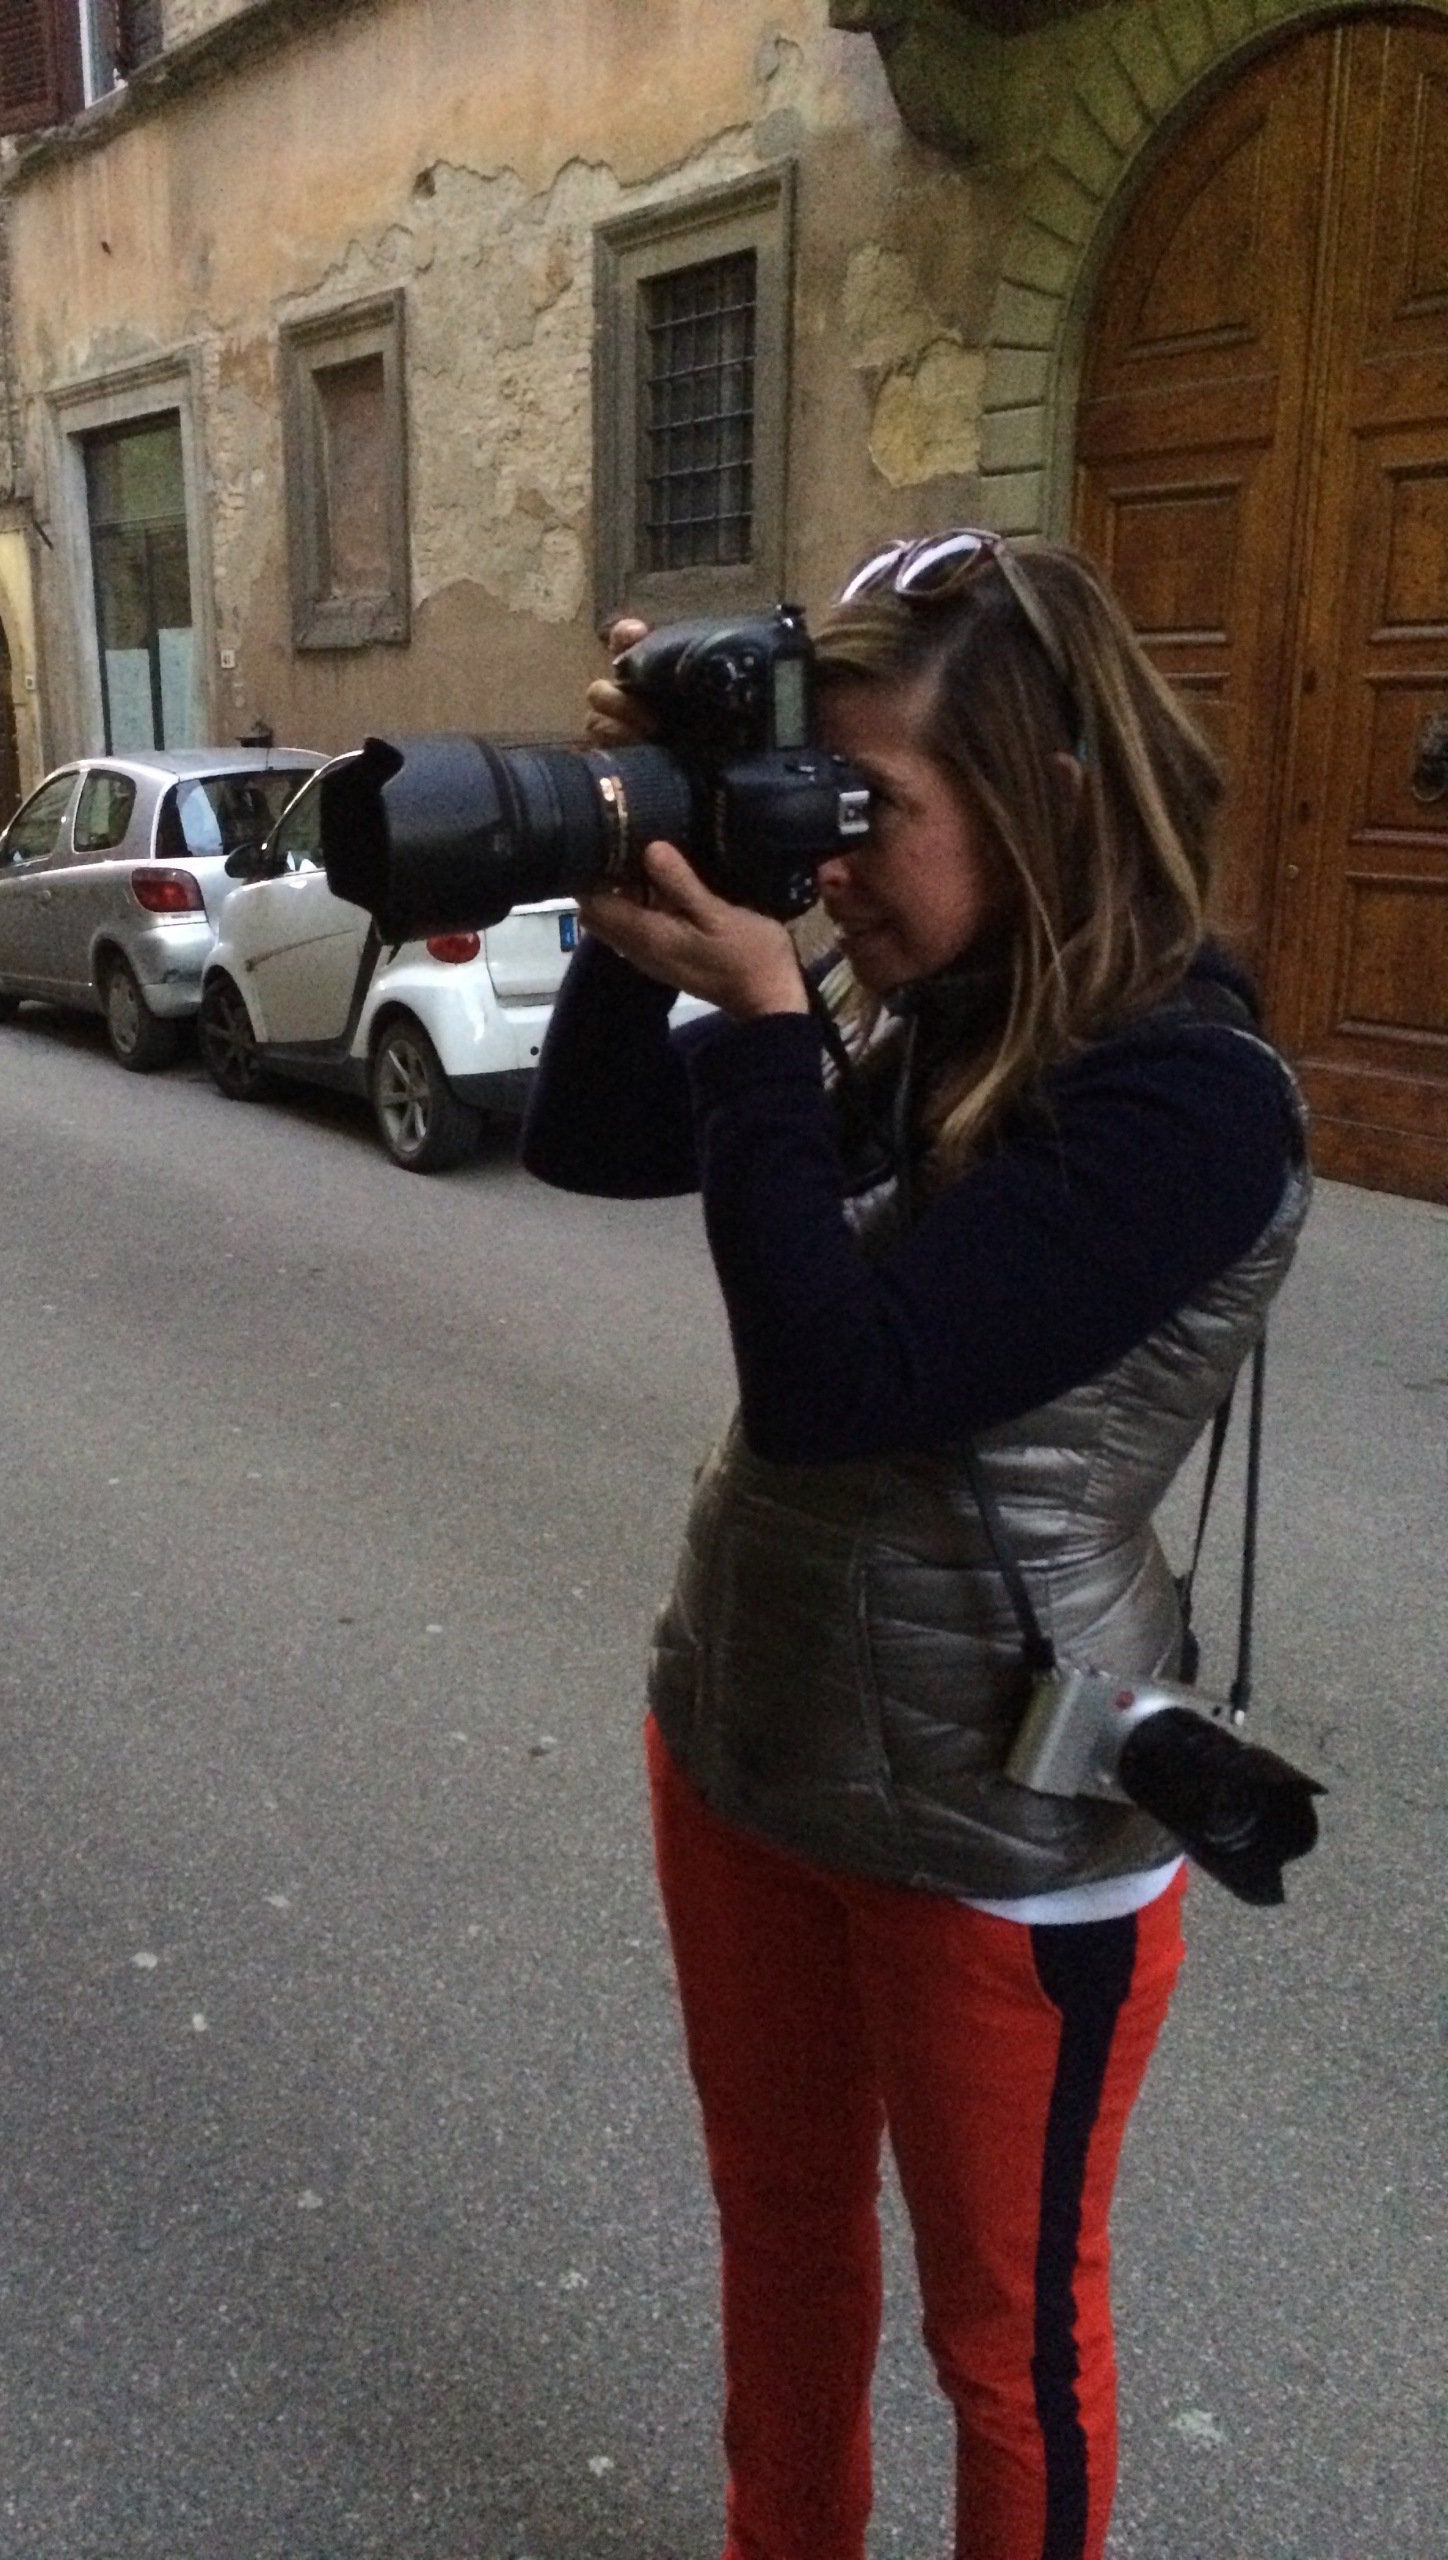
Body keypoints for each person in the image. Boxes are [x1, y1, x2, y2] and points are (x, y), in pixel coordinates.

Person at [520, 533, 1309, 2560]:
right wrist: (653, 886)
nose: (841, 858)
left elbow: (837, 1383)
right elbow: (592, 1144)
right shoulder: (922, 1016)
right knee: (782, 2247)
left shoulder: (1188, 1105)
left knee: (1004, 2338)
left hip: (1002, 1840)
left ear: (1050, 800)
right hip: (748, 1747)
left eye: (883, 808)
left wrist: (775, 1020)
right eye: (823, 801)